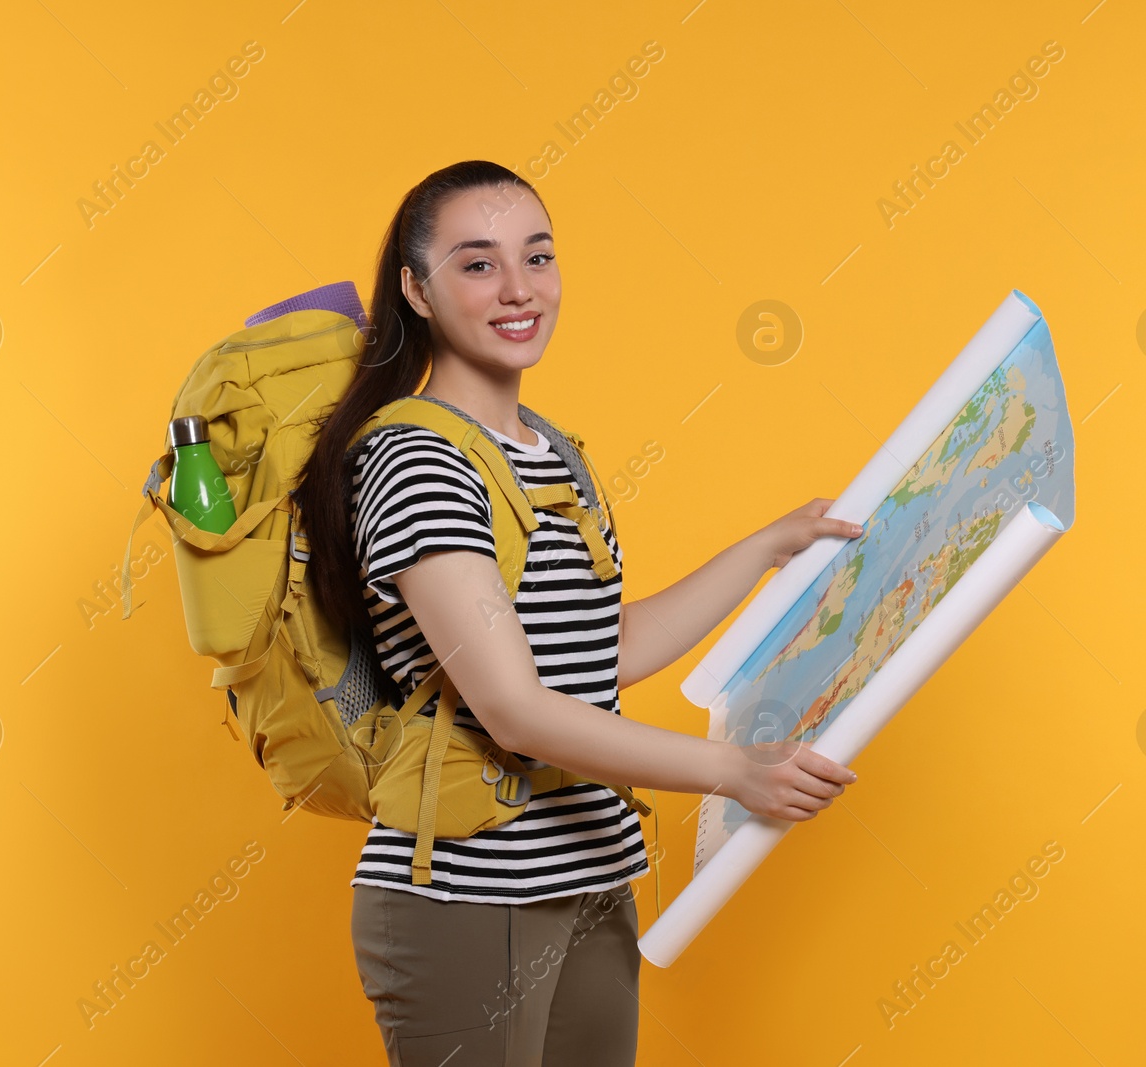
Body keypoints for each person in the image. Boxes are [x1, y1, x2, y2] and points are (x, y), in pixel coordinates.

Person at [290, 160, 863, 1066]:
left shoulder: (550, 449)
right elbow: (515, 708)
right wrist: (730, 770)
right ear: (416, 290)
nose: (519, 290)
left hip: (593, 878)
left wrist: (764, 551)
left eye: (538, 256)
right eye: (477, 265)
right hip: (470, 900)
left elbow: (600, 651)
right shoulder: (416, 461)